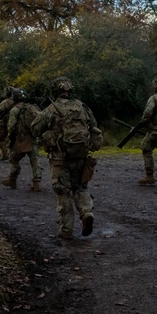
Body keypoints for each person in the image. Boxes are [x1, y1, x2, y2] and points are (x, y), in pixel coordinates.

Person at [32, 77, 104, 240]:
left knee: (63, 192)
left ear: (55, 91)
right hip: (81, 156)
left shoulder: (51, 109)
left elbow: (35, 129)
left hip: (60, 158)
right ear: (70, 91)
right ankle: (86, 213)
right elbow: (93, 124)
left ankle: (66, 230)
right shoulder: (82, 107)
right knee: (81, 187)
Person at [0, 88, 43, 191]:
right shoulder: (33, 108)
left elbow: (11, 126)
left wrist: (10, 139)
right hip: (33, 139)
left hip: (21, 140)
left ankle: (12, 180)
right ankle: (36, 184)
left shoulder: (14, 110)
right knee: (35, 161)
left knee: (14, 160)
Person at [0, 86, 16, 162]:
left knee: (1, 139)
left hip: (4, 123)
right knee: (13, 139)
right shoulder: (17, 102)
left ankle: (5, 155)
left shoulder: (5, 102)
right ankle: (12, 155)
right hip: (15, 123)